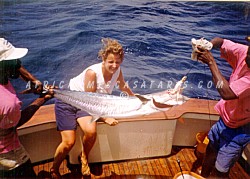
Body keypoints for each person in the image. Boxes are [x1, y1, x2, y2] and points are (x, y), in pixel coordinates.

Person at [50, 38, 134, 178]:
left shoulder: (118, 71)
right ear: (103, 59)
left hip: (86, 103)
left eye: (117, 62)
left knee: (91, 131)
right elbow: (91, 101)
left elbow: (122, 85)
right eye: (110, 62)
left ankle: (84, 158)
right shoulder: (92, 73)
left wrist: (134, 97)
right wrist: (105, 117)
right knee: (69, 142)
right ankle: (54, 168)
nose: (114, 65)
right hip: (70, 102)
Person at [195, 36, 250, 178]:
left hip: (240, 131)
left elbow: (226, 93)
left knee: (220, 171)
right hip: (223, 121)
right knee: (211, 150)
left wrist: (211, 62)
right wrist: (208, 45)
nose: (248, 54)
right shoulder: (245, 52)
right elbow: (221, 41)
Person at [0, 38, 54, 177]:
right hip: (7, 156)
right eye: (11, 61)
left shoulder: (3, 76)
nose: (17, 63)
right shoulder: (8, 102)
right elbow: (18, 122)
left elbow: (17, 67)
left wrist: (33, 81)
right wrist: (43, 99)